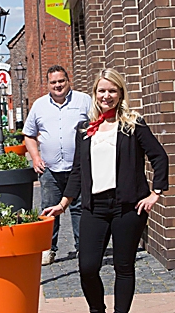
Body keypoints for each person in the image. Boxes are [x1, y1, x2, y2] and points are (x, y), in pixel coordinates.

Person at [42, 68, 168, 313]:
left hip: (128, 208)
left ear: (120, 94)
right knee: (87, 267)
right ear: (95, 93)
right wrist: (64, 202)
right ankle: (97, 310)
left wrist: (156, 193)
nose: (106, 95)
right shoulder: (85, 129)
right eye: (102, 90)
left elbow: (159, 157)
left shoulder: (132, 124)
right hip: (94, 208)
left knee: (123, 266)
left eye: (112, 90)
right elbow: (77, 170)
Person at [24, 65, 91, 265]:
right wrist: (35, 157)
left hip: (77, 169)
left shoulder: (83, 101)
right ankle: (48, 249)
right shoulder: (39, 105)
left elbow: (97, 125)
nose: (58, 85)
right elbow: (28, 134)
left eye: (61, 81)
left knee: (80, 208)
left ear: (68, 80)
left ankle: (83, 248)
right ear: (48, 84)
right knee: (49, 209)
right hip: (49, 169)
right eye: (53, 82)